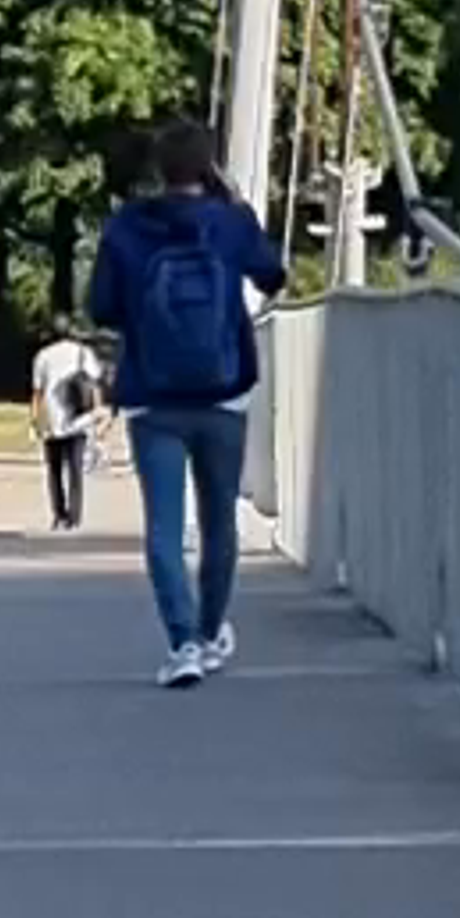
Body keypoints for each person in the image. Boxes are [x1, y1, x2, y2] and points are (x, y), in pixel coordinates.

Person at [86, 117, 287, 681]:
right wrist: (237, 207)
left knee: (164, 527)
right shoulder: (229, 223)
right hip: (224, 393)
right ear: (209, 166)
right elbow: (274, 275)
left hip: (153, 397)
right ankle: (211, 629)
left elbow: (101, 307)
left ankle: (182, 645)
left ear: (157, 169)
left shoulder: (127, 227)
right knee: (220, 521)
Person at [28, 316, 103, 529]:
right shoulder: (83, 353)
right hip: (79, 420)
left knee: (54, 470)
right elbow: (94, 385)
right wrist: (98, 413)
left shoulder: (42, 356)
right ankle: (75, 516)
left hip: (52, 421)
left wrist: (35, 420)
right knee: (76, 470)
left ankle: (59, 513)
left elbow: (37, 393)